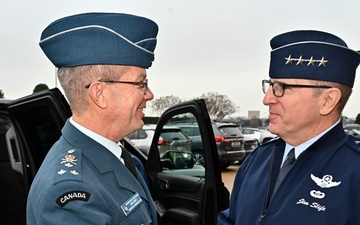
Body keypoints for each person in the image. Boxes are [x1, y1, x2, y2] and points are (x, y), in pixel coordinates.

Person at [27, 12, 159, 225]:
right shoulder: (72, 193)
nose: (149, 94)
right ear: (99, 93)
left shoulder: (114, 155)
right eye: (140, 84)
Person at [218, 30, 360, 225]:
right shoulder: (258, 159)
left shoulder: (354, 170)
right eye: (269, 85)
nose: (267, 99)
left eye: (282, 87)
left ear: (328, 100)